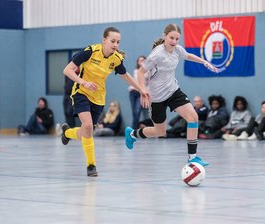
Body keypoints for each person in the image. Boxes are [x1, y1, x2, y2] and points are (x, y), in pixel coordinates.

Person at [124, 24, 218, 167]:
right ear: (165, 36)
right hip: (156, 98)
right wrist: (143, 91)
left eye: (177, 39)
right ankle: (132, 135)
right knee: (159, 131)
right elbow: (142, 72)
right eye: (171, 38)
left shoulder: (177, 50)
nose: (174, 41)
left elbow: (187, 55)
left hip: (173, 91)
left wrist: (204, 62)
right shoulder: (157, 54)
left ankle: (192, 157)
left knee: (193, 117)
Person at [61, 27, 149, 177]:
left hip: (99, 97)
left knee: (86, 132)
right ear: (104, 40)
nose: (115, 44)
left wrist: (141, 89)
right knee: (88, 126)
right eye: (112, 41)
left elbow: (125, 75)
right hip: (81, 92)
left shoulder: (116, 58)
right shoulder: (90, 51)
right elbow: (67, 70)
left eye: (118, 42)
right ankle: (91, 165)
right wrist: (83, 82)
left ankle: (68, 133)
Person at [129, 56, 147, 129]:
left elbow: (148, 83)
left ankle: (134, 129)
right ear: (138, 62)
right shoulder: (135, 71)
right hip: (133, 92)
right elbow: (135, 81)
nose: (141, 62)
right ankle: (134, 129)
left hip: (141, 93)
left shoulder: (148, 72)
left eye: (143, 60)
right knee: (134, 112)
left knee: (137, 111)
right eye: (140, 61)